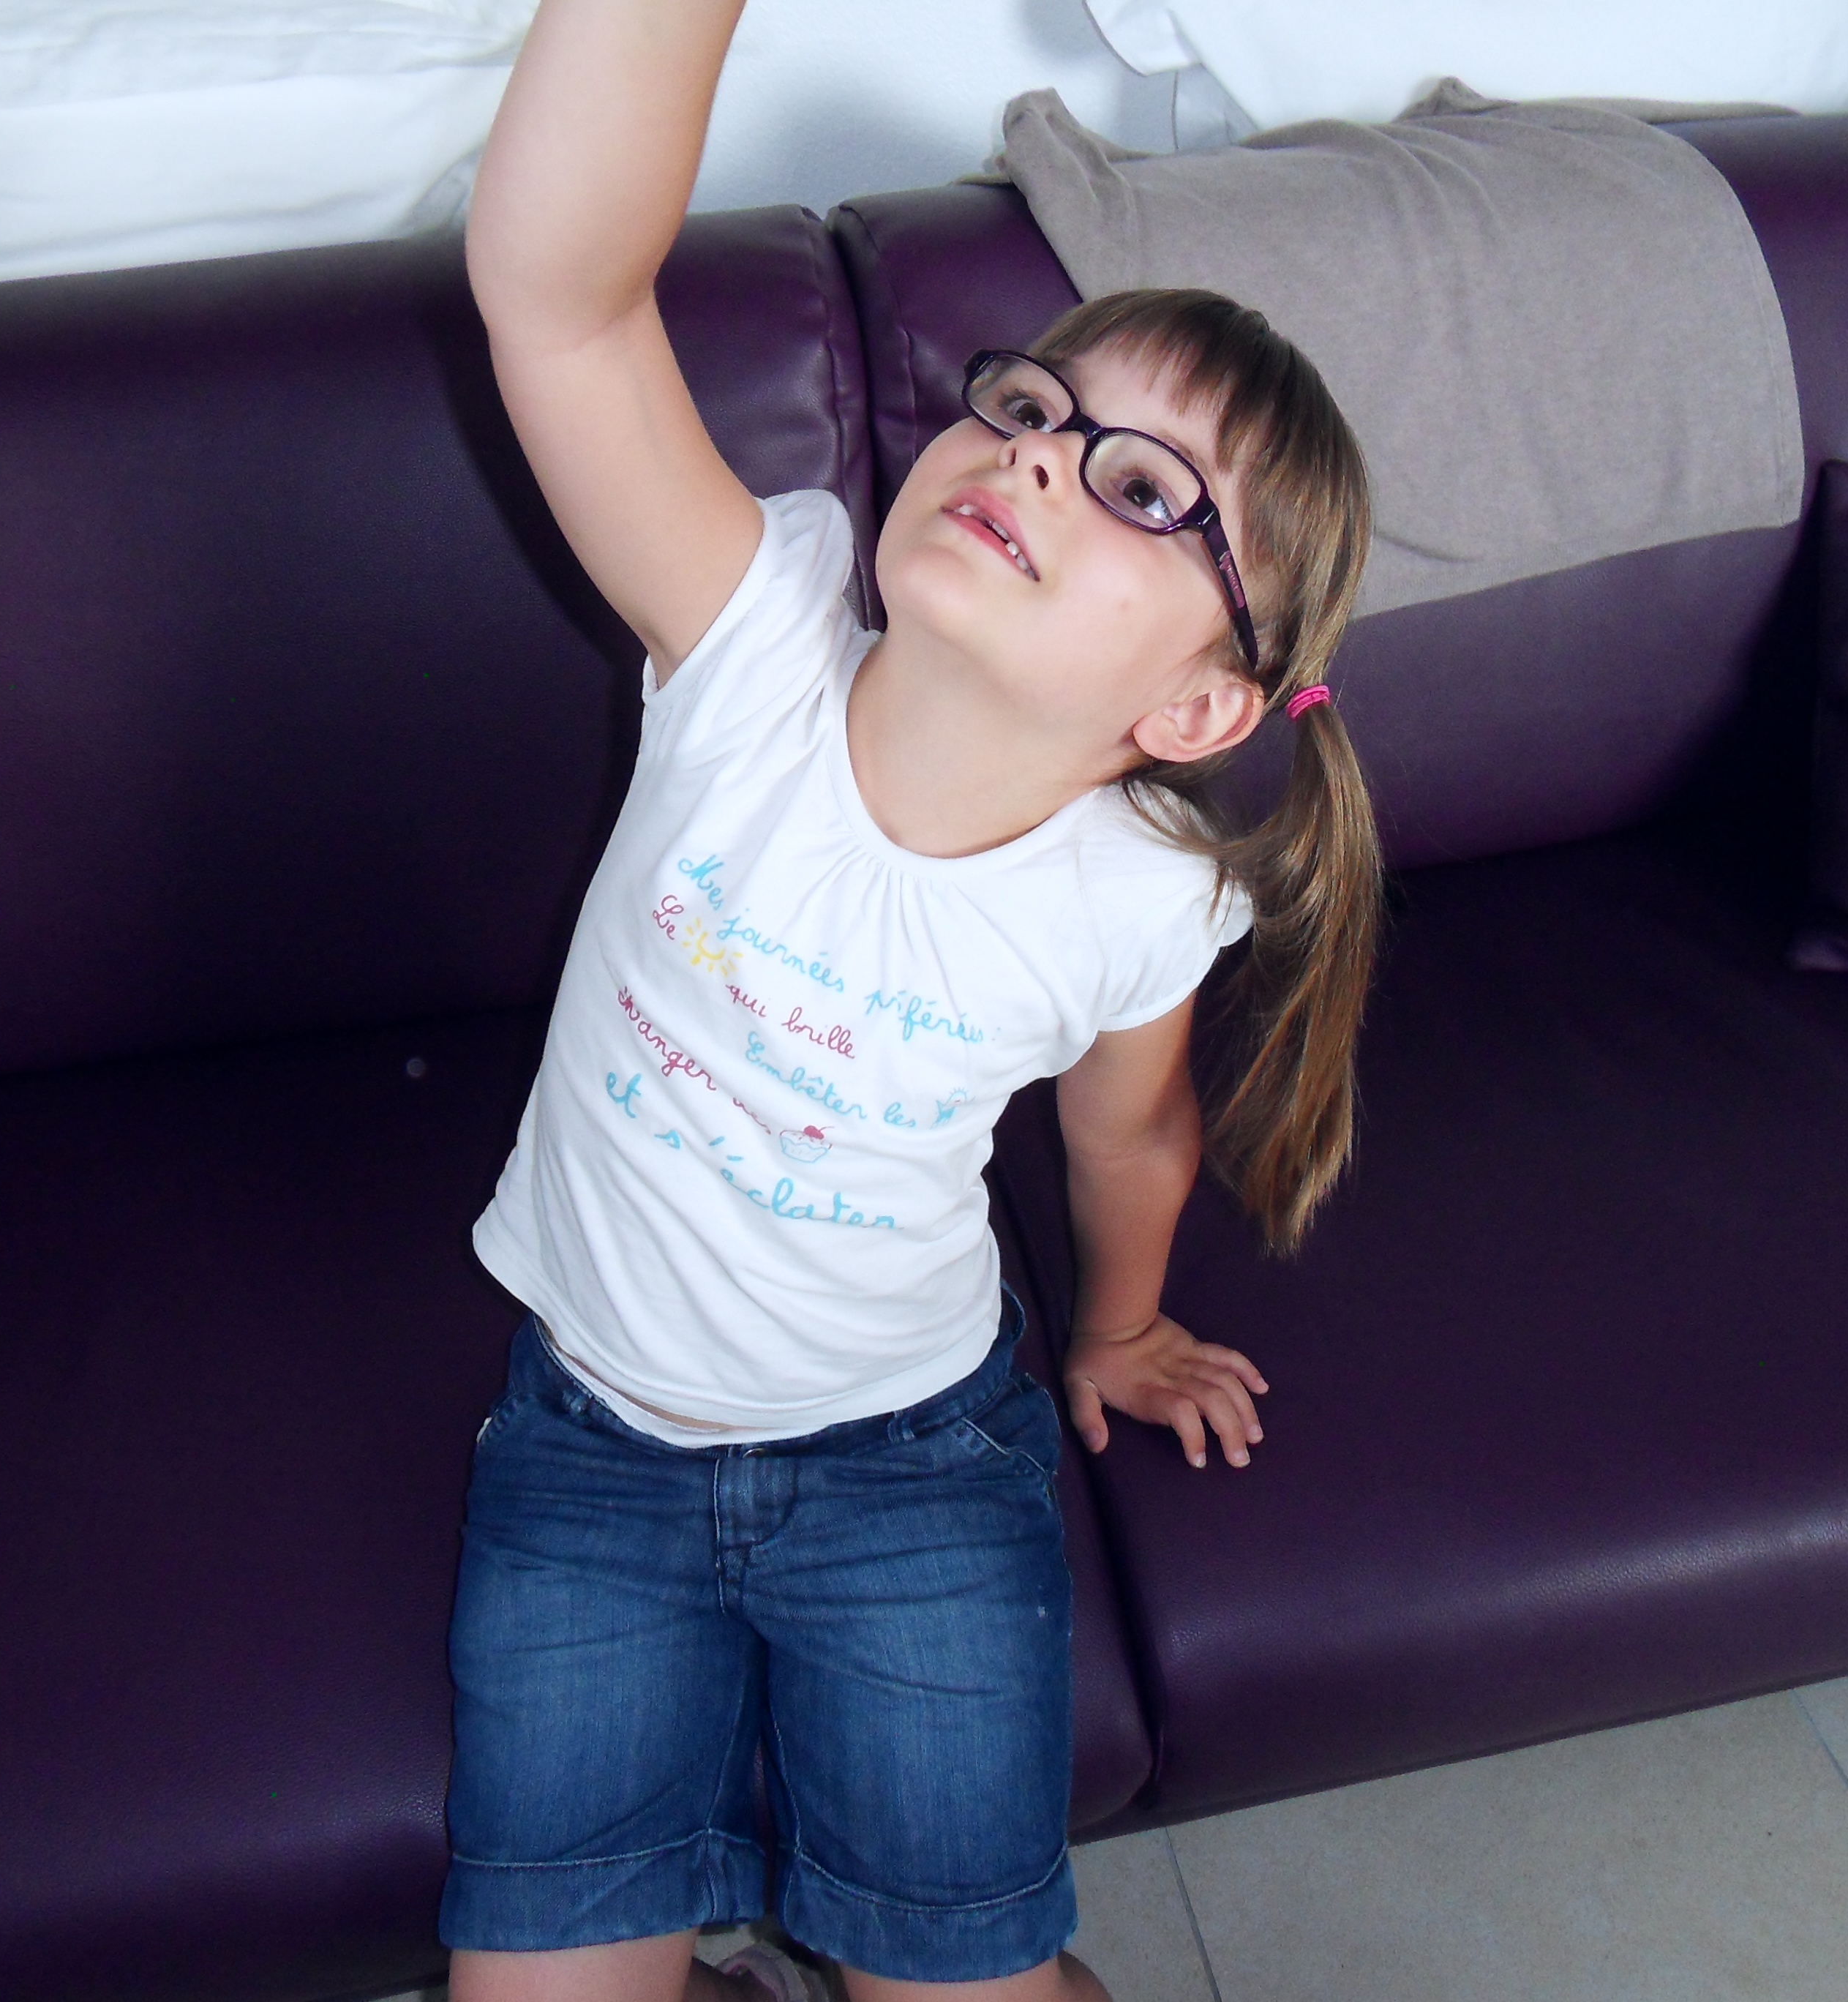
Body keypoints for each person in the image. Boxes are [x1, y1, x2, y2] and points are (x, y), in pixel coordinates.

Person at [442, 4, 1379, 1998]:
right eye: (1037, 403)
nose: (1038, 453)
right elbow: (558, 301)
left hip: (910, 1470)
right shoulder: (749, 632)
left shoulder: (1144, 897)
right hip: (588, 1451)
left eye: (1143, 489)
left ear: (1197, 708)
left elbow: (1132, 1129)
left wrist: (1116, 1330)